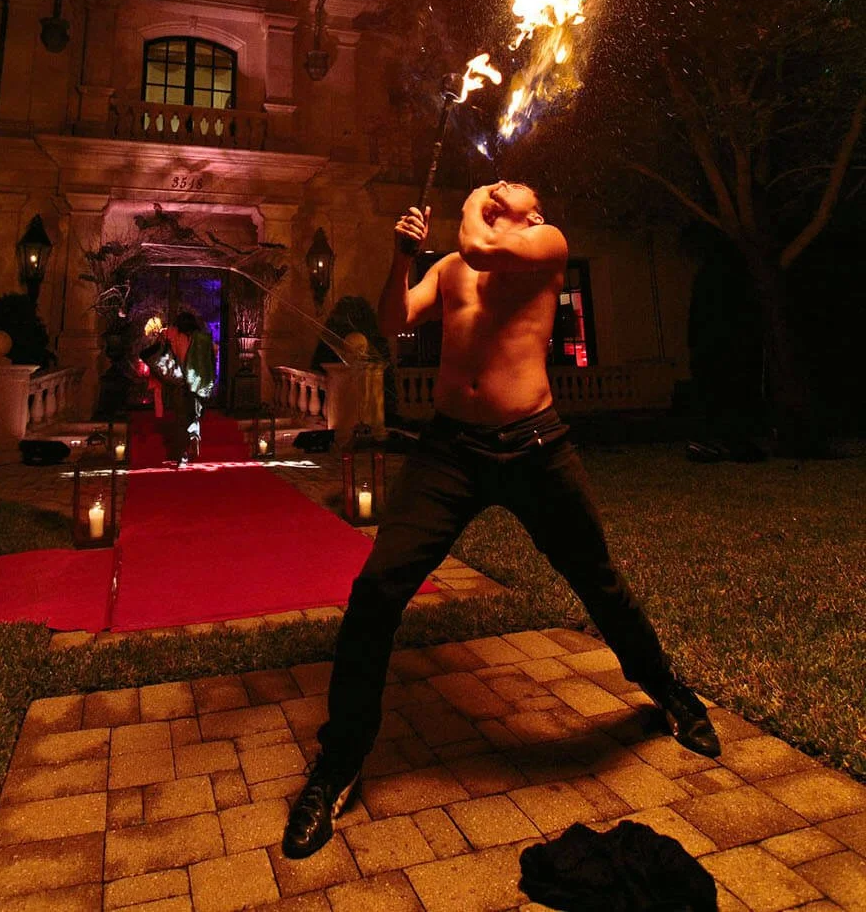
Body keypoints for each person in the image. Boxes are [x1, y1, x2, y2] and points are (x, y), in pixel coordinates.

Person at [282, 181, 721, 861]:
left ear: (534, 215)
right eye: (492, 187)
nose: (496, 187)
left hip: (535, 447)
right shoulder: (455, 265)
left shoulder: (544, 245)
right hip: (449, 450)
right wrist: (403, 257)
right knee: (376, 590)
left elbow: (479, 247)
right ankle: (338, 762)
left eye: (508, 191)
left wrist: (466, 212)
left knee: (596, 578)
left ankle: (667, 689)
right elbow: (394, 321)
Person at [155, 311, 218, 465]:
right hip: (197, 383)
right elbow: (215, 350)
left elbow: (165, 351)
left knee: (180, 418)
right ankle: (194, 436)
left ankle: (182, 454)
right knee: (194, 414)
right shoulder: (202, 339)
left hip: (180, 382)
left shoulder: (176, 336)